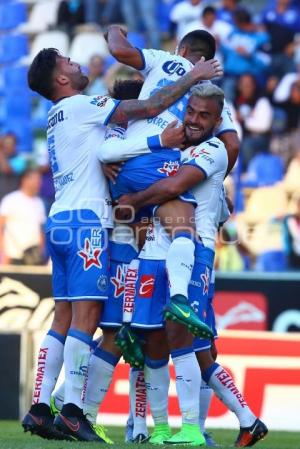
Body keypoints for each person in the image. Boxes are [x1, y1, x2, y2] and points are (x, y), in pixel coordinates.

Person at [21, 47, 219, 442]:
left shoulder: (58, 115)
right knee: (87, 318)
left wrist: (111, 157)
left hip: (60, 218)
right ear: (60, 80)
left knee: (62, 318)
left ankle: (41, 407)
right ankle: (74, 411)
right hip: (87, 224)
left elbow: (103, 146)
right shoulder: (80, 105)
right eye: (69, 63)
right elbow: (151, 105)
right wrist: (192, 76)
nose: (77, 65)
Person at [119, 84, 268, 448]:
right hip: (156, 251)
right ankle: (160, 429)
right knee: (153, 340)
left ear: (218, 120)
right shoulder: (177, 144)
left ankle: (192, 428)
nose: (196, 120)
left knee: (184, 340)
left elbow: (173, 187)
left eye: (205, 116)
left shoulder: (214, 148)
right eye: (193, 112)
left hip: (194, 255)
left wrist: (131, 200)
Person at [101, 27, 236, 343]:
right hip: (156, 164)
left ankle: (127, 322)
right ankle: (178, 300)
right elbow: (231, 144)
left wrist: (113, 31)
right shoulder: (208, 94)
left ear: (181, 49)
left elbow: (120, 51)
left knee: (143, 244)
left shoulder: (160, 61)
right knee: (183, 230)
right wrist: (214, 181)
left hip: (122, 173)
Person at [0, 169, 46, 265]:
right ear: (25, 180)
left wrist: (40, 252)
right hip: (12, 256)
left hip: (33, 258)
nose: (39, 183)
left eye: (39, 180)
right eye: (35, 179)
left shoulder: (39, 202)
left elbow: (41, 231)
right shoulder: (10, 200)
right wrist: (3, 254)